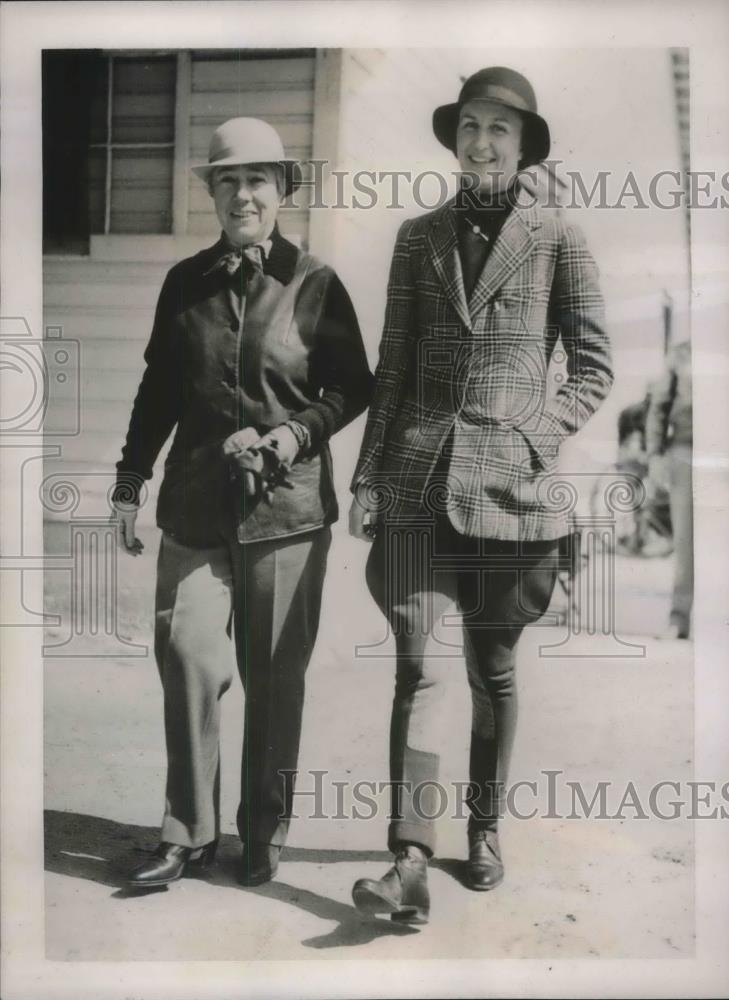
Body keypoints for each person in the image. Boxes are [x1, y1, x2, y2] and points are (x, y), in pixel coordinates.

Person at [348, 67, 613, 924]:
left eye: (499, 128)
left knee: (492, 674)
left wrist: (531, 436)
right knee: (418, 666)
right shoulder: (415, 237)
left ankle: (485, 829)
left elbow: (593, 367)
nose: (481, 142)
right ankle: (408, 855)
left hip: (512, 494)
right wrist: (367, 480)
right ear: (454, 138)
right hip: (419, 486)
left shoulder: (557, 237)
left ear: (523, 143)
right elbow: (391, 369)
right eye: (469, 125)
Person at [112, 117, 372, 889]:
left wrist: (296, 435)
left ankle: (262, 832)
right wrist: (129, 483)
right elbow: (158, 391)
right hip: (194, 509)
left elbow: (353, 386)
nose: (241, 194)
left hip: (285, 514)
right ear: (212, 194)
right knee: (186, 653)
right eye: (227, 180)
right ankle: (187, 831)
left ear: (282, 190)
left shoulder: (316, 281)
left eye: (257, 178)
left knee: (273, 676)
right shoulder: (183, 283)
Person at [645, 339, 693, 638]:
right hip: (686, 453)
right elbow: (659, 408)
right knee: (686, 541)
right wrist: (655, 455)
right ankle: (680, 618)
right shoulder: (684, 352)